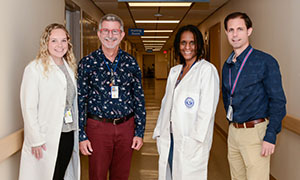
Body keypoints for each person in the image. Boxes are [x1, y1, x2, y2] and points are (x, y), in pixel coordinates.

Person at [77, 14, 146, 180]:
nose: (110, 35)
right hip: (98, 128)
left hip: (126, 127)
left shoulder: (130, 62)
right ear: (99, 34)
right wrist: (81, 135)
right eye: (106, 30)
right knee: (97, 175)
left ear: (122, 35)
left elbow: (139, 98)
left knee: (121, 175)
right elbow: (80, 101)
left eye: (115, 31)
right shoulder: (87, 63)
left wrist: (139, 131)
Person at [222, 12, 286, 180]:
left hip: (256, 132)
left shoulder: (265, 61)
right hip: (234, 132)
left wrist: (270, 135)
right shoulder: (227, 66)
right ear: (226, 33)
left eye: (240, 29)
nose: (235, 34)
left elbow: (278, 101)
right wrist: (231, 122)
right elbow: (226, 96)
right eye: (231, 30)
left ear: (249, 31)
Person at [153, 25, 220, 180]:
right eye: (183, 43)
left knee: (188, 175)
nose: (187, 47)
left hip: (190, 141)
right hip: (169, 137)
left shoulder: (206, 70)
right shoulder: (175, 71)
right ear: (178, 45)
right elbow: (166, 104)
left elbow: (207, 111)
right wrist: (159, 129)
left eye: (192, 43)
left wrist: (195, 140)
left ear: (199, 46)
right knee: (170, 173)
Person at [19, 23, 80, 180]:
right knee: (48, 176)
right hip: (45, 137)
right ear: (46, 43)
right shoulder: (34, 69)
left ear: (68, 43)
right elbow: (28, 107)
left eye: (63, 40)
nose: (59, 45)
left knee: (60, 175)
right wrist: (35, 139)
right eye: (54, 40)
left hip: (67, 133)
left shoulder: (70, 68)